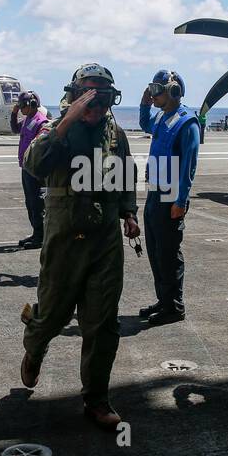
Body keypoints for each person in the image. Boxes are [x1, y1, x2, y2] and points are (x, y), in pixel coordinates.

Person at [20, 63, 139, 430]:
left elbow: (125, 174)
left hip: (104, 239)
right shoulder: (54, 128)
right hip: (65, 237)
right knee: (54, 315)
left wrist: (129, 213)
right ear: (73, 96)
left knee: (102, 322)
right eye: (88, 97)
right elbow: (34, 164)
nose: (97, 106)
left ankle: (96, 399)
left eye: (103, 98)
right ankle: (34, 346)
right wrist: (67, 121)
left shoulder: (115, 133)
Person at [138, 69, 200, 326]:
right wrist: (143, 103)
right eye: (151, 90)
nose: (153, 96)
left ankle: (174, 307)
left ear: (173, 92)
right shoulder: (163, 118)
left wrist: (180, 200)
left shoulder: (187, 122)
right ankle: (164, 300)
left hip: (171, 196)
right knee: (155, 251)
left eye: (157, 91)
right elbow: (145, 124)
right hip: (155, 193)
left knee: (168, 253)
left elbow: (189, 165)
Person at [10, 91, 47, 248]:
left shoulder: (41, 122)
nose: (20, 108)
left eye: (22, 105)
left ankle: (40, 237)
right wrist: (14, 113)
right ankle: (36, 233)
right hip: (26, 167)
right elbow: (15, 129)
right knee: (30, 202)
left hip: (35, 169)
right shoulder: (28, 120)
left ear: (31, 105)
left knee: (37, 203)